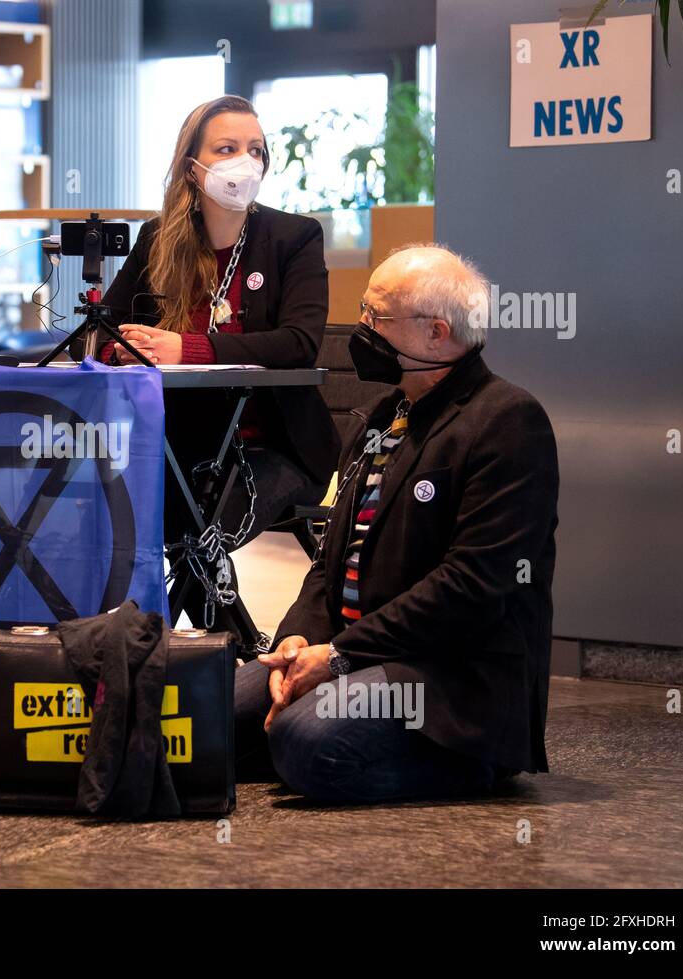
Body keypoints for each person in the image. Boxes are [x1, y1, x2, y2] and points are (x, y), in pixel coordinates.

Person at [235, 244, 559, 803]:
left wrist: (338, 658)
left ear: (437, 333)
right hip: (356, 651)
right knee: (206, 707)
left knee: (304, 740)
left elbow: (470, 588)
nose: (361, 328)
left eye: (376, 317)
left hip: (450, 676)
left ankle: (476, 766)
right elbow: (330, 561)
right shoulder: (383, 418)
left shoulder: (506, 421)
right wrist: (298, 639)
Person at [94, 95, 340, 632]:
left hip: (274, 447)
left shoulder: (294, 238)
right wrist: (120, 345)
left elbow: (299, 343)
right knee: (102, 515)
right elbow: (105, 327)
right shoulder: (159, 239)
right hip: (182, 446)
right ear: (192, 166)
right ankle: (208, 660)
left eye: (255, 150)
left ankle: (147, 656)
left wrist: (189, 348)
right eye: (226, 148)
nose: (243, 161)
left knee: (198, 535)